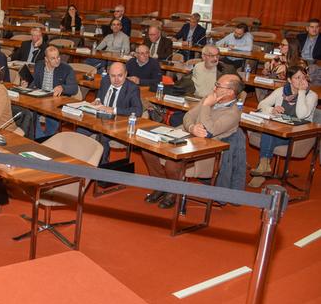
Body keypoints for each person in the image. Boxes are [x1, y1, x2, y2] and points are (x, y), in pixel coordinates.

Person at [142, 74, 242, 209]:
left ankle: (173, 192)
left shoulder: (233, 113)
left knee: (173, 163)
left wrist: (206, 105)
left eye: (218, 86)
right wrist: (192, 127)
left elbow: (209, 131)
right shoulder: (210, 97)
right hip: (187, 136)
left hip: (207, 150)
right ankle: (161, 185)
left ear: (230, 92)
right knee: (148, 150)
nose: (214, 88)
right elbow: (188, 116)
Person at [248, 66, 318, 187]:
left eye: (303, 77)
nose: (301, 81)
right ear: (290, 80)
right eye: (297, 78)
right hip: (280, 130)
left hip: (297, 134)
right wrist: (272, 109)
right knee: (269, 131)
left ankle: (262, 170)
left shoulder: (311, 95)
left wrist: (301, 92)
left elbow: (301, 115)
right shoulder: (281, 91)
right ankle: (264, 166)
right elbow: (262, 104)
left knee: (269, 133)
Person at [85, 62, 143, 162]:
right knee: (79, 131)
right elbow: (100, 94)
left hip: (117, 124)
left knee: (102, 138)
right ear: (108, 74)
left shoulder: (132, 88)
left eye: (120, 76)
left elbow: (138, 110)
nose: (116, 79)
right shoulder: (105, 80)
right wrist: (98, 100)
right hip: (99, 119)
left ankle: (102, 170)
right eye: (113, 76)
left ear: (125, 74)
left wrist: (113, 110)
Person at [26, 46, 79, 139]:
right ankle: (40, 139)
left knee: (53, 119)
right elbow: (35, 82)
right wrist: (26, 85)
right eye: (53, 58)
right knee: (29, 113)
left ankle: (45, 138)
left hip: (56, 102)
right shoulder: (39, 65)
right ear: (46, 59)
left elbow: (74, 88)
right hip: (39, 98)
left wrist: (63, 87)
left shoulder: (66, 69)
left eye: (58, 57)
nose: (57, 60)